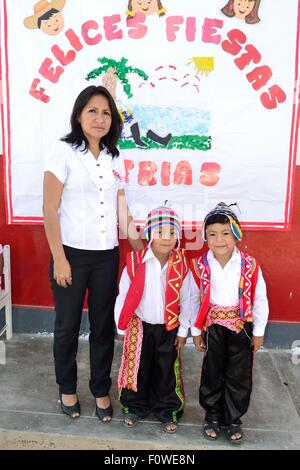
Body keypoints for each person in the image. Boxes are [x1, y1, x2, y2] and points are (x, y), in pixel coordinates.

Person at [43, 85, 143, 423]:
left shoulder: (117, 157)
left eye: (106, 113)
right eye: (92, 111)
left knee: (103, 327)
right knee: (68, 326)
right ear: (78, 115)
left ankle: (101, 389)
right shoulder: (63, 151)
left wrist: (144, 250)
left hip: (106, 256)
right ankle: (67, 389)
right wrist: (58, 257)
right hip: (70, 253)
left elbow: (122, 212)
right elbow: (50, 207)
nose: (100, 118)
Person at [190, 202, 269, 443]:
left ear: (236, 234)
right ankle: (212, 414)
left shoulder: (249, 265)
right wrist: (195, 330)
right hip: (213, 327)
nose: (219, 240)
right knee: (212, 371)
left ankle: (234, 417)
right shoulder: (200, 266)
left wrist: (259, 331)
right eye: (212, 234)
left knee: (239, 373)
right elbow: (193, 299)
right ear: (205, 237)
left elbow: (259, 299)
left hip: (241, 329)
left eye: (225, 233)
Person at [114, 206, 191, 433]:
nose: (166, 238)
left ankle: (168, 409)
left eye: (171, 232)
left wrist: (183, 331)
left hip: (169, 327)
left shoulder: (182, 265)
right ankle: (135, 406)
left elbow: (188, 300)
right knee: (138, 367)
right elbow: (124, 294)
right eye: (160, 232)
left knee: (167, 370)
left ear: (177, 235)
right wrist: (121, 325)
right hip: (140, 325)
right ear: (149, 234)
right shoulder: (135, 262)